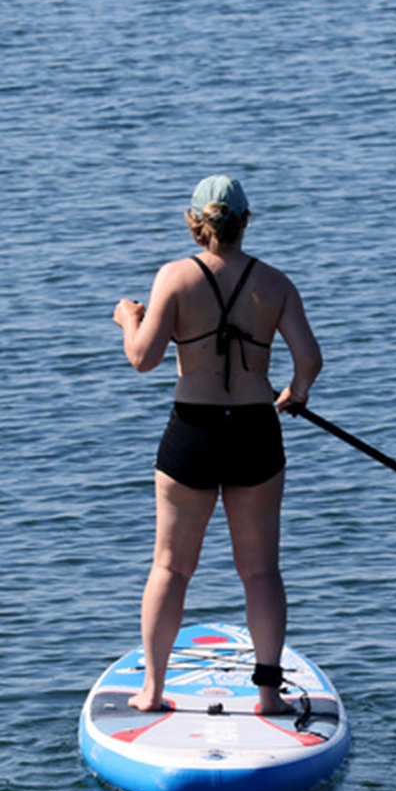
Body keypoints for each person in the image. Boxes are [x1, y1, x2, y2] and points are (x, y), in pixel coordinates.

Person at [112, 175, 322, 716]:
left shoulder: (174, 277)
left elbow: (143, 358)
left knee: (171, 568)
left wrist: (128, 318)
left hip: (194, 431)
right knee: (260, 571)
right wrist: (295, 394)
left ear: (194, 221)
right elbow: (310, 358)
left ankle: (153, 691)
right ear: (245, 221)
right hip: (255, 428)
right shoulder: (275, 284)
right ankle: (268, 696)